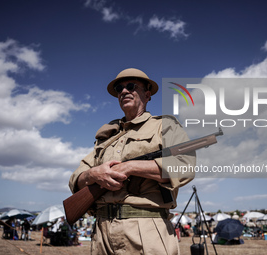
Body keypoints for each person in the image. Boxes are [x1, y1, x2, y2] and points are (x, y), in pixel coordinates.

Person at [69, 68, 196, 254]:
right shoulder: (106, 137)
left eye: (131, 86)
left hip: (145, 229)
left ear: (147, 94)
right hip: (102, 232)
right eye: (119, 88)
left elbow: (184, 166)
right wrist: (94, 174)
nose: (124, 91)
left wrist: (130, 167)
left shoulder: (164, 126)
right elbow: (76, 178)